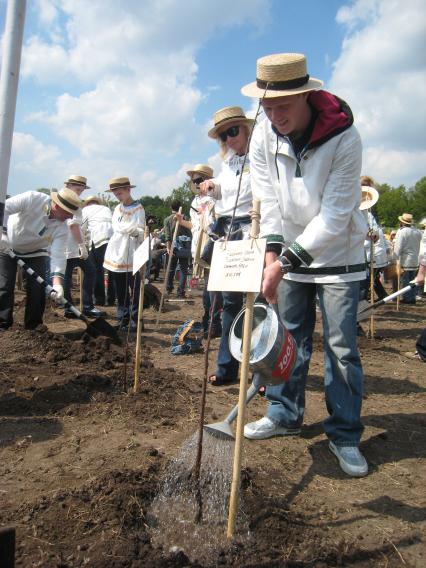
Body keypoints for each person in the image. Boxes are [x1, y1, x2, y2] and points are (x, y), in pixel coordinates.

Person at [241, 52, 368, 477]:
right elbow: (267, 199)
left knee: (341, 347)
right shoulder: (263, 130)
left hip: (339, 255)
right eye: (267, 106)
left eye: (283, 107)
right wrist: (272, 254)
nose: (274, 116)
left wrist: (283, 263)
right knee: (287, 338)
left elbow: (335, 216)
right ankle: (283, 413)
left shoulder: (345, 138)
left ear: (308, 96)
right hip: (290, 252)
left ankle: (345, 435)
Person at [199, 105, 254, 385]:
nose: (229, 139)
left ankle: (262, 371)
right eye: (224, 136)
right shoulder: (229, 162)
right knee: (230, 303)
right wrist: (213, 186)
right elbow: (226, 191)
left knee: (260, 305)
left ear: (246, 128)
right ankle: (227, 368)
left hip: (254, 232)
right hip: (228, 232)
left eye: (233, 131)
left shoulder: (263, 158)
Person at [0, 187, 83, 330]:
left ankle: (33, 326)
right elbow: (5, 208)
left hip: (36, 252)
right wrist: (3, 232)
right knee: (4, 286)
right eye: (68, 213)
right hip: (7, 246)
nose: (70, 217)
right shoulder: (32, 198)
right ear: (57, 206)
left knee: (37, 289)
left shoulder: (62, 228)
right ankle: (3, 325)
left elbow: (58, 256)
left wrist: (57, 284)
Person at [184, 164, 222, 337]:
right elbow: (195, 227)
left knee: (213, 288)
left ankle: (214, 323)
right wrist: (181, 221)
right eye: (194, 181)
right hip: (200, 246)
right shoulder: (195, 202)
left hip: (213, 245)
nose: (197, 184)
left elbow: (215, 225)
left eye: (200, 180)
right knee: (207, 287)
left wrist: (206, 214)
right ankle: (208, 320)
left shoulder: (215, 199)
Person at [103, 177, 146, 331]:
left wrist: (135, 231)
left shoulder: (138, 209)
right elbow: (115, 226)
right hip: (116, 251)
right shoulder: (117, 208)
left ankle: (136, 320)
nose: (118, 196)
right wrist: (124, 228)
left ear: (128, 190)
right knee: (120, 288)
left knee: (134, 289)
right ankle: (122, 318)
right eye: (116, 194)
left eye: (120, 193)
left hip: (131, 251)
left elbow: (142, 231)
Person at [62, 175, 105, 318]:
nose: (79, 192)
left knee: (89, 271)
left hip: (73, 245)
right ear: (68, 186)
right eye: (77, 189)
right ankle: (72, 308)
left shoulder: (75, 201)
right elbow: (73, 225)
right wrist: (82, 245)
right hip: (69, 245)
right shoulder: (70, 201)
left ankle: (83, 306)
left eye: (81, 190)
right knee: (68, 276)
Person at [82, 195, 115, 306]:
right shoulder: (106, 209)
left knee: (96, 269)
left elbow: (81, 228)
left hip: (98, 237)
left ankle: (100, 298)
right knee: (111, 268)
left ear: (87, 203)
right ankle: (111, 298)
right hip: (112, 237)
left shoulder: (85, 210)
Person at [359, 181, 388, 301]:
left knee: (365, 283)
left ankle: (362, 305)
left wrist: (372, 235)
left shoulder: (369, 215)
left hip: (366, 256)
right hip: (353, 255)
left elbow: (375, 236)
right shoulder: (350, 210)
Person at [163, 200, 192, 298]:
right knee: (183, 270)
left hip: (173, 247)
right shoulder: (185, 218)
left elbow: (167, 236)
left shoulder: (167, 220)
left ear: (171, 208)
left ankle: (169, 288)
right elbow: (190, 233)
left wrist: (168, 247)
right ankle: (180, 292)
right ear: (180, 207)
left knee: (171, 269)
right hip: (184, 246)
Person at [394, 213, 422, 304]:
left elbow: (398, 247)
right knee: (413, 280)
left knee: (406, 281)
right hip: (415, 259)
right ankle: (412, 297)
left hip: (405, 259)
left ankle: (408, 298)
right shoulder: (417, 231)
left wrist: (395, 257)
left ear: (402, 222)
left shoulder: (402, 232)